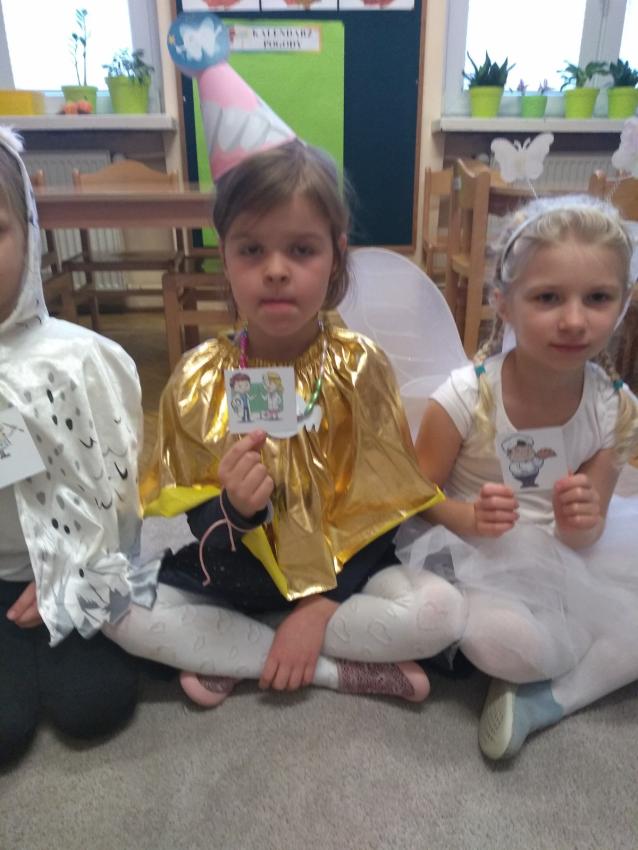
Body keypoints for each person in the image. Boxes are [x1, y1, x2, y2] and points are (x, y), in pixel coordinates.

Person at [103, 12, 466, 706]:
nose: (275, 270)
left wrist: (321, 605)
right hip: (233, 579)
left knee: (442, 611)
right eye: (252, 250)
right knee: (115, 604)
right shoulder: (198, 379)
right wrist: (235, 510)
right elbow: (188, 521)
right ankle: (332, 668)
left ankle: (252, 650)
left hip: (345, 574)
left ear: (334, 257)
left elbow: (384, 510)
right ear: (226, 259)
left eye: (301, 250)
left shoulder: (359, 367)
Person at [401, 194, 638, 759]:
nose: (574, 320)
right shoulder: (465, 396)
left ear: (624, 302)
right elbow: (410, 495)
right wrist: (467, 517)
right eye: (548, 297)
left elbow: (589, 528)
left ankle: (549, 699)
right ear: (503, 303)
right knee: (505, 643)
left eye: (598, 298)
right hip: (474, 556)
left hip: (569, 559)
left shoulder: (616, 408)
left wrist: (582, 519)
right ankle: (556, 664)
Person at [0, 127, 151, 765]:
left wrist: (68, 570)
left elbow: (115, 493)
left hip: (69, 566)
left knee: (95, 704)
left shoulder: (81, 360)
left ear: (29, 234)